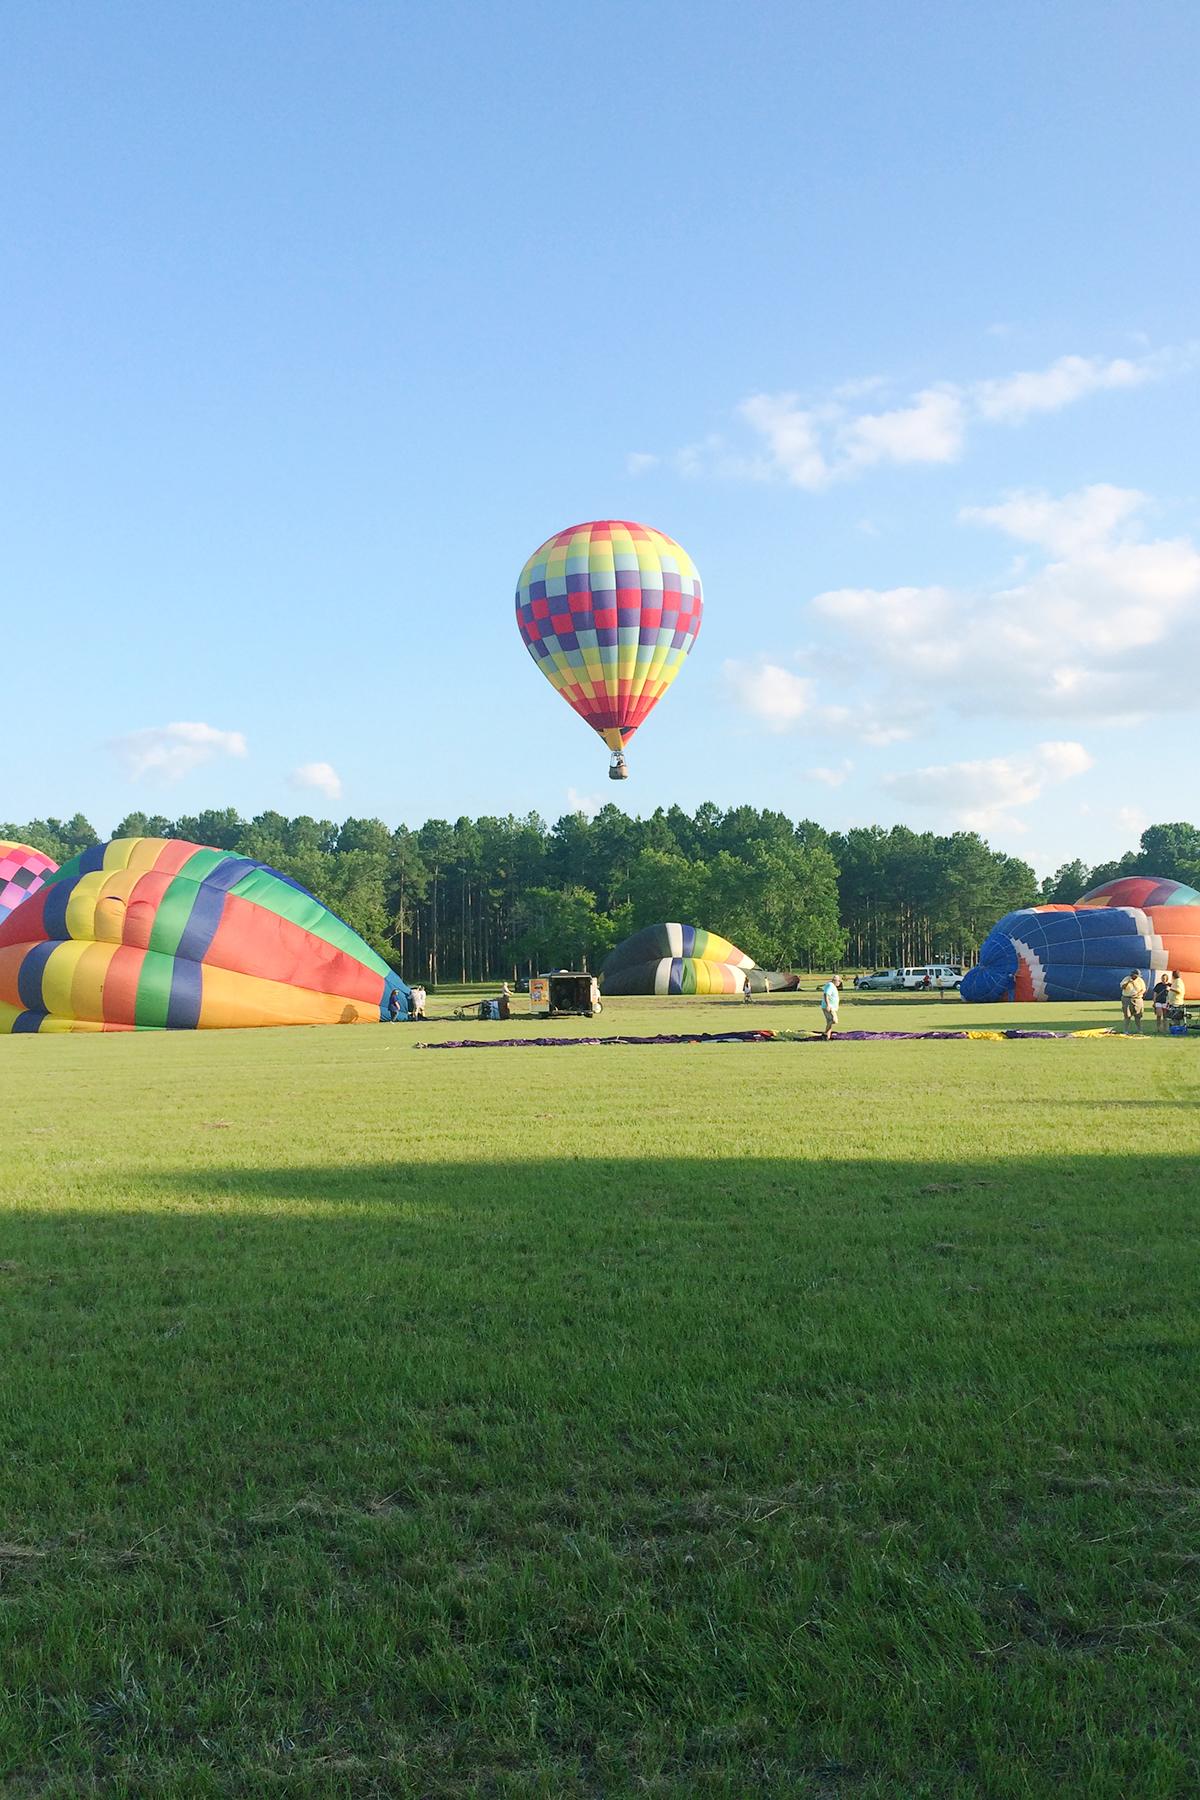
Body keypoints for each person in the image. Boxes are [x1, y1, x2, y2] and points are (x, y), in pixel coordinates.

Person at [1119, 968, 1145, 1033]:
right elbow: (1122, 987)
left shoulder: (1140, 980)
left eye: (1137, 976)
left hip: (1138, 999)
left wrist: (1138, 994)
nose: (1136, 977)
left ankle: (1139, 1030)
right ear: (1132, 975)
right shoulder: (1126, 979)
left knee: (1138, 1015)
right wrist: (1128, 982)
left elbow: (1143, 989)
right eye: (1135, 976)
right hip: (1127, 998)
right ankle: (1126, 1030)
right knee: (1127, 1015)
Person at [820, 974, 843, 1040]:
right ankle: (825, 1033)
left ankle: (827, 1037)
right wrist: (828, 1005)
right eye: (839, 981)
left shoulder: (832, 986)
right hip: (829, 1007)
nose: (839, 982)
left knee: (829, 1021)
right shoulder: (830, 985)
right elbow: (826, 994)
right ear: (835, 980)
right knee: (834, 1020)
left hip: (830, 1007)